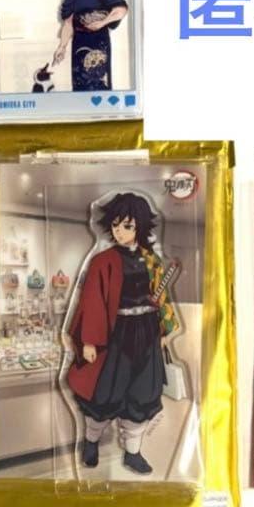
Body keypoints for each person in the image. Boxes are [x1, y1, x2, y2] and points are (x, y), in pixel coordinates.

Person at [65, 192, 178, 474]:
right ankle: (91, 442)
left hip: (147, 333)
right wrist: (89, 341)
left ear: (140, 226)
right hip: (116, 335)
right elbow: (92, 300)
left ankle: (133, 453)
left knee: (142, 394)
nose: (119, 231)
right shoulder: (103, 261)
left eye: (127, 225)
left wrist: (163, 330)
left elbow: (162, 298)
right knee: (104, 394)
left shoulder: (151, 260)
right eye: (116, 225)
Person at [53, 0, 128, 92]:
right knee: (79, 81)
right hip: (79, 41)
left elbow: (121, 9)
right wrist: (62, 47)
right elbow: (68, 23)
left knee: (100, 78)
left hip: (99, 40)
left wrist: (103, 22)